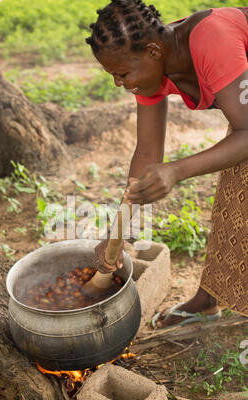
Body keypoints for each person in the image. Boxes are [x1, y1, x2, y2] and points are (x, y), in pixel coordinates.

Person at [85, 1, 248, 329]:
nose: (118, 83)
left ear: (154, 52)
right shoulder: (148, 66)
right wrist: (119, 235)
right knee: (235, 198)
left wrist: (177, 170)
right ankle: (207, 301)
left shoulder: (211, 42)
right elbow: (146, 153)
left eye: (122, 73)